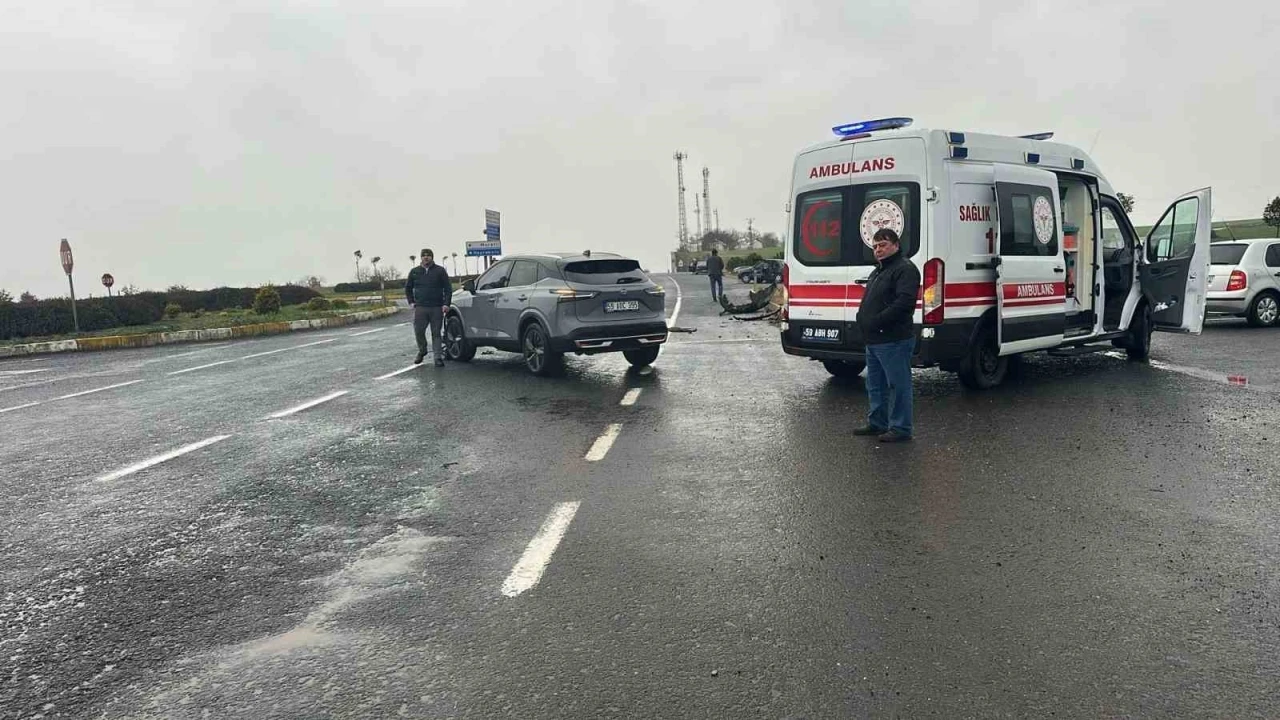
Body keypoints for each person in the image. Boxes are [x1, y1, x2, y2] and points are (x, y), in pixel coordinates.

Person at [854, 228, 921, 442]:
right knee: (875, 385)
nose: (878, 250)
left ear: (896, 245)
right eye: (875, 246)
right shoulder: (879, 271)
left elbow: (904, 303)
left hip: (894, 339)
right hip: (874, 339)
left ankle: (901, 428)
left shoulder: (905, 269)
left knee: (898, 385)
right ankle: (877, 423)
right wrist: (862, 318)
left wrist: (877, 320)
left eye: (883, 245)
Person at [405, 248, 452, 367]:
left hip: (436, 307)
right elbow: (408, 288)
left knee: (436, 333)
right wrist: (411, 302)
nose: (426, 257)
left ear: (432, 257)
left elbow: (448, 288)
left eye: (428, 255)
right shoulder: (414, 272)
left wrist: (446, 304)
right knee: (419, 331)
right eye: (424, 255)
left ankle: (437, 357)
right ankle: (422, 350)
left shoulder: (440, 271)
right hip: (421, 307)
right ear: (421, 257)